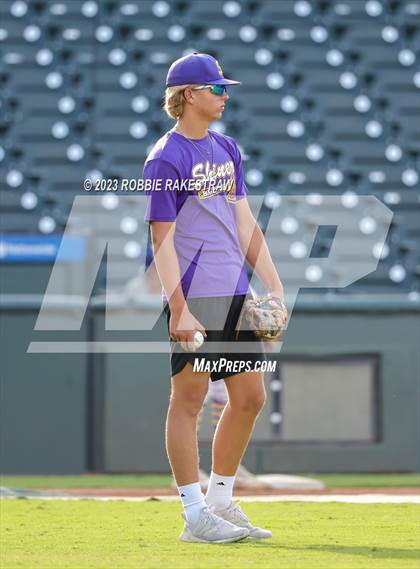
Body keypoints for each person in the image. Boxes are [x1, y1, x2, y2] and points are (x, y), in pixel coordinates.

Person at [143, 52, 286, 544]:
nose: (226, 95)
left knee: (249, 397)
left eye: (225, 88)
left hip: (235, 292)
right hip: (197, 294)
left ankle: (221, 501)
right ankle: (194, 515)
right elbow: (161, 240)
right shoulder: (167, 155)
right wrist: (177, 306)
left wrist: (273, 282)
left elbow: (245, 223)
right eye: (217, 88)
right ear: (188, 96)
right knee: (189, 399)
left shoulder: (226, 149)